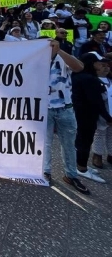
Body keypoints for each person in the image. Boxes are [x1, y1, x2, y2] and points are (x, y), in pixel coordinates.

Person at [43, 39, 89, 193]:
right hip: (44, 108)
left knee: (69, 144)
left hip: (65, 108)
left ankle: (71, 175)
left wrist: (59, 50)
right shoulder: (36, 59)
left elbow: (79, 67)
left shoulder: (63, 58)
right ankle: (45, 172)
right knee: (45, 143)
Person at [71, 52, 112, 183]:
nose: (101, 64)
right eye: (98, 62)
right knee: (85, 141)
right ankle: (81, 169)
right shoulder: (89, 79)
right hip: (86, 115)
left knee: (82, 140)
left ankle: (79, 165)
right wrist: (108, 117)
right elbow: (96, 101)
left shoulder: (79, 76)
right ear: (91, 63)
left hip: (81, 114)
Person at [92, 65, 112, 168]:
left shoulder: (110, 80)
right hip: (102, 113)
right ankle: (97, 155)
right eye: (103, 66)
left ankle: (111, 154)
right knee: (99, 134)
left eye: (107, 66)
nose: (106, 68)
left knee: (111, 134)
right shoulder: (95, 80)